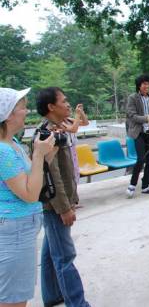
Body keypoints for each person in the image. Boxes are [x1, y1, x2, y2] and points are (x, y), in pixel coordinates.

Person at [0, 87, 56, 307]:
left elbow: (33, 178)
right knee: (13, 300)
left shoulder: (12, 144)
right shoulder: (3, 151)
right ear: (8, 114)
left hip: (20, 229)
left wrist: (47, 154)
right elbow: (31, 194)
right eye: (22, 108)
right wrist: (39, 154)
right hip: (14, 232)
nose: (26, 111)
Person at [36, 87, 91, 307]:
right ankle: (77, 303)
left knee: (52, 249)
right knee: (65, 257)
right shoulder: (47, 135)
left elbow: (79, 125)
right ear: (51, 107)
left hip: (58, 202)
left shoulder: (59, 128)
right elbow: (51, 175)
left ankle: (51, 295)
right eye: (64, 101)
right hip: (55, 205)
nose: (68, 104)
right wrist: (64, 207)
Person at [126, 74, 149, 198]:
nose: (147, 86)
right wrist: (146, 118)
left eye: (148, 83)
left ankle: (145, 186)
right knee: (141, 158)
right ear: (139, 86)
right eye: (144, 84)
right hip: (138, 131)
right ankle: (132, 185)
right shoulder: (132, 98)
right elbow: (132, 115)